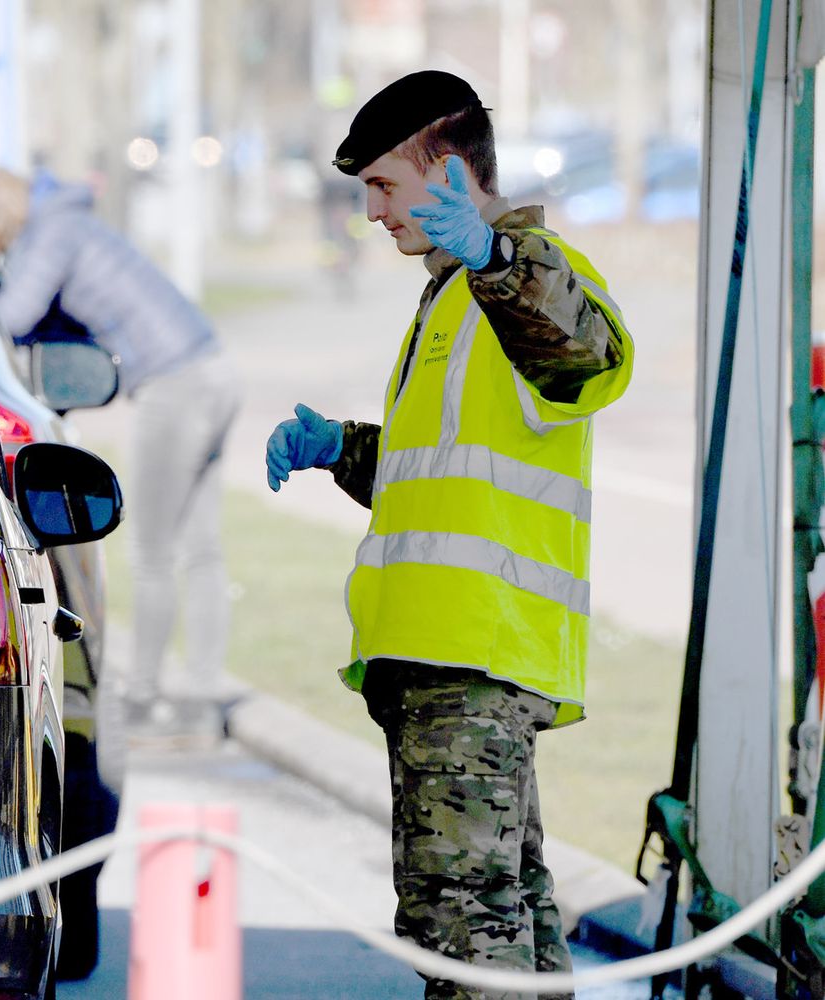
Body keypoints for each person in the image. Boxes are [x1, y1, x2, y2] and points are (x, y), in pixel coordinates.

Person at [263, 70, 633, 998]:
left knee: (459, 918)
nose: (373, 212)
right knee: (507, 910)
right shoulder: (456, 295)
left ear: (453, 175)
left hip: (472, 651)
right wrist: (340, 448)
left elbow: (589, 355)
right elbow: (436, 476)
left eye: (384, 185)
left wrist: (495, 260)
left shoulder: (521, 276)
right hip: (448, 654)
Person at [0, 168, 241, 737]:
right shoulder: (66, 221)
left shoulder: (50, 232)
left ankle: (146, 700)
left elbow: (12, 319)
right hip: (212, 368)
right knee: (200, 548)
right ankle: (204, 699)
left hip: (174, 385)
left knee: (153, 550)